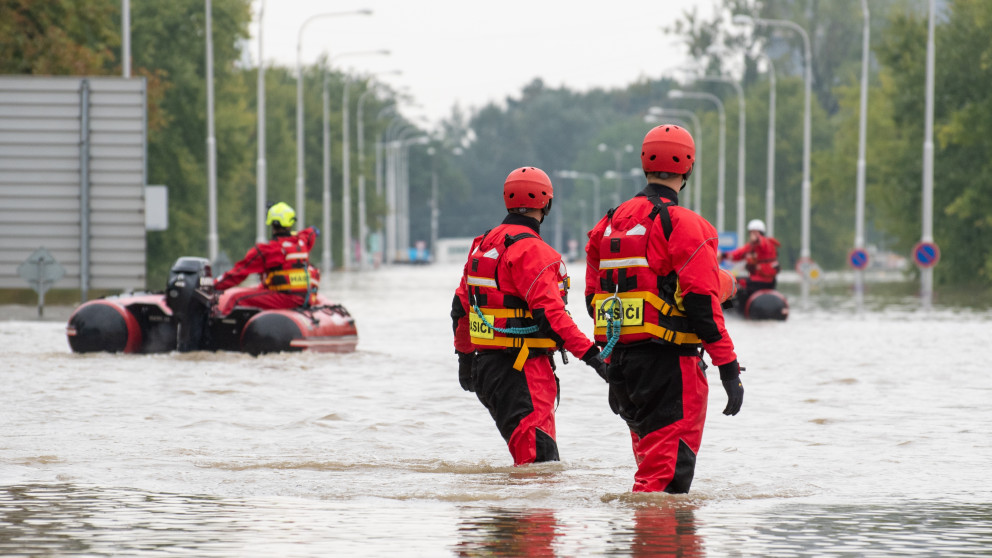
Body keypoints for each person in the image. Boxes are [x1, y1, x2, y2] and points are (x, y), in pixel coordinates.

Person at [584, 124, 744, 493]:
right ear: (688, 168)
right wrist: (728, 368)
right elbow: (702, 304)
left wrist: (612, 363)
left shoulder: (606, 226)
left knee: (651, 473)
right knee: (664, 485)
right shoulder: (686, 225)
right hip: (670, 369)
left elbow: (595, 301)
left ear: (644, 163)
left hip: (622, 366)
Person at [451, 166, 608, 466]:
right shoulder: (534, 252)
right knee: (539, 467)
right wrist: (593, 357)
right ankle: (523, 515)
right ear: (547, 204)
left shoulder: (482, 245)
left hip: (487, 370)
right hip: (522, 371)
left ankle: (507, 514)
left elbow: (460, 307)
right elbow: (552, 317)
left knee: (533, 467)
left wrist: (465, 360)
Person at [213, 202, 320, 315]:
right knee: (258, 290)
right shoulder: (302, 242)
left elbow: (238, 273)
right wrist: (314, 230)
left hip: (285, 299)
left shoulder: (268, 250)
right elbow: (310, 233)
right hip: (305, 298)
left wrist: (213, 285)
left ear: (271, 223)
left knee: (236, 299)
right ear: (290, 223)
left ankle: (216, 331)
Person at [721, 218, 781, 300]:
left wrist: (758, 238)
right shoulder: (750, 247)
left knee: (733, 283)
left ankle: (730, 307)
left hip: (763, 281)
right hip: (756, 280)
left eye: (755, 233)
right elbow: (737, 254)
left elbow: (762, 243)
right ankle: (729, 308)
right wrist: (723, 255)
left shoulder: (767, 243)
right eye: (751, 233)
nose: (752, 235)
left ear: (761, 233)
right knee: (732, 282)